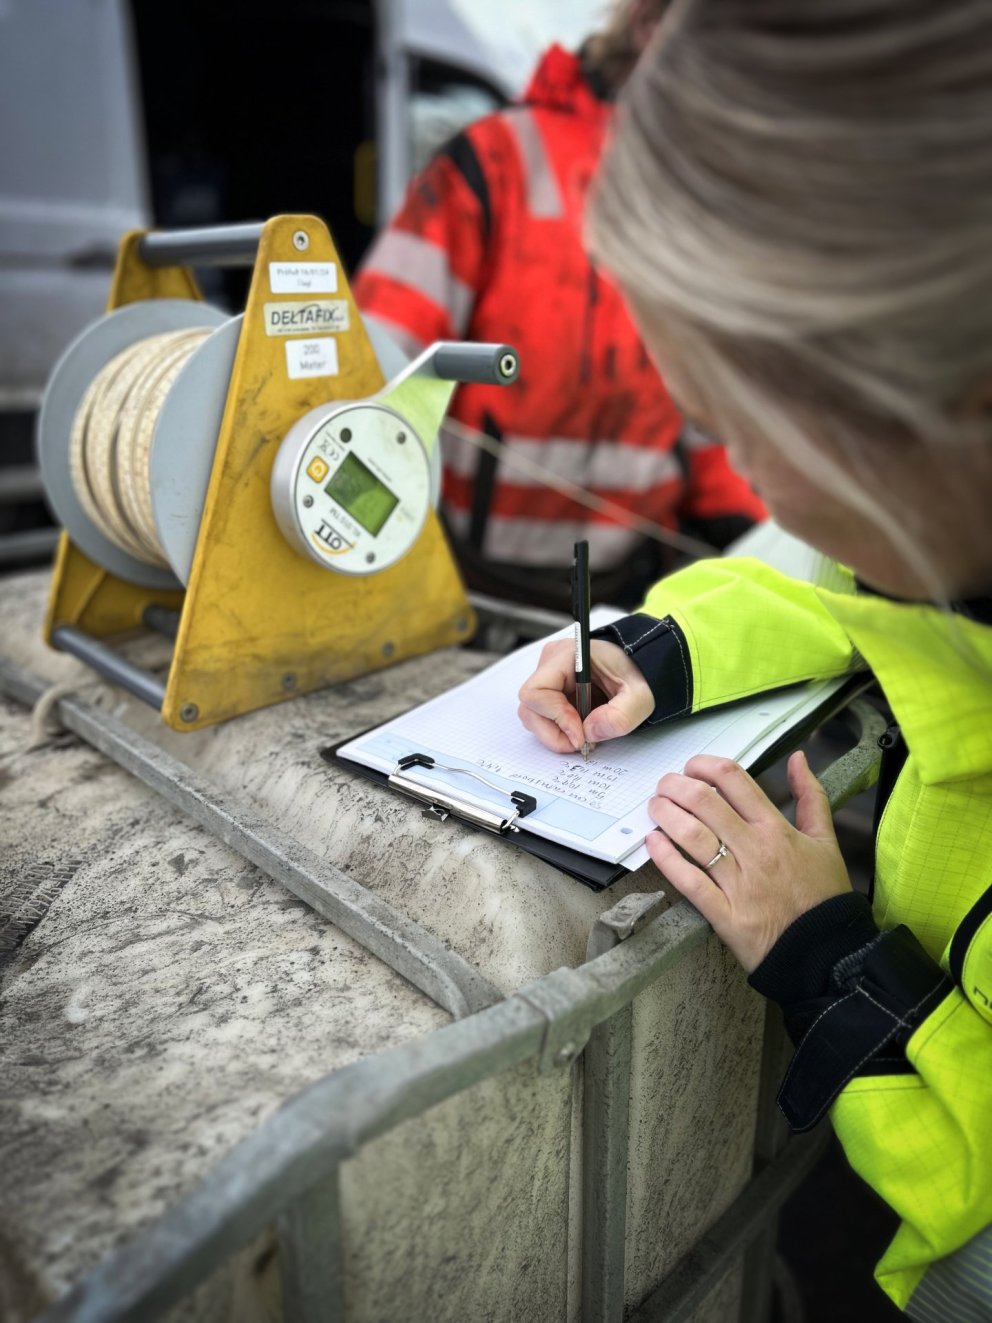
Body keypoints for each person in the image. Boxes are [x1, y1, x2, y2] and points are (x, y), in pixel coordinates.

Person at [517, 3, 992, 1318]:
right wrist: (657, 650)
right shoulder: (947, 532)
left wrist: (826, 959)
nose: (733, 472)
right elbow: (825, 577)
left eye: (740, 424)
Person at [353, 1, 765, 611]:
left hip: (632, 584)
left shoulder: (701, 195)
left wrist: (739, 525)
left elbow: (708, 406)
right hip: (474, 584)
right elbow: (374, 363)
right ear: (649, 25)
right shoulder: (495, 157)